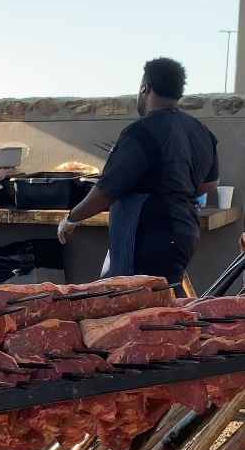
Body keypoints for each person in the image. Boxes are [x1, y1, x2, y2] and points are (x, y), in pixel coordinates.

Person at [57, 58, 219, 283]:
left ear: (145, 88)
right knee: (162, 305)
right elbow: (210, 183)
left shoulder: (141, 131)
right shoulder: (201, 131)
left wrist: (71, 218)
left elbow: (106, 192)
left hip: (148, 239)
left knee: (134, 307)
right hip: (185, 233)